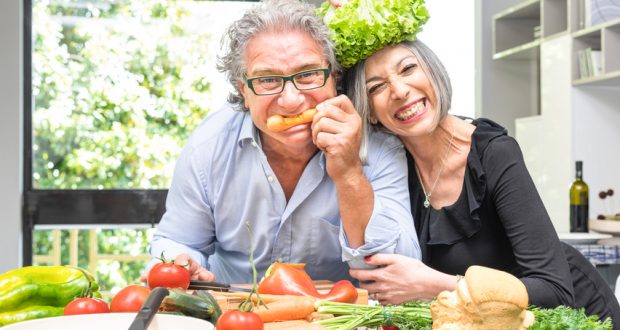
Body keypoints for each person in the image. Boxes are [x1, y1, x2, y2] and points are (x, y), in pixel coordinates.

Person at [340, 38, 620, 326]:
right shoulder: (390, 170)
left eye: (408, 68)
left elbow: (554, 290)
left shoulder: (493, 152)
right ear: (369, 111)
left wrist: (438, 284)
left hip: (576, 316)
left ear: (432, 72)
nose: (399, 91)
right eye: (376, 87)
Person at [147, 0, 421, 285]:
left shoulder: (378, 147)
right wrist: (183, 262)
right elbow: (179, 241)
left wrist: (350, 172)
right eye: (267, 80)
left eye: (308, 74)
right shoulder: (208, 147)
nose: (291, 101)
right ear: (243, 90)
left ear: (334, 76)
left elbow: (400, 270)